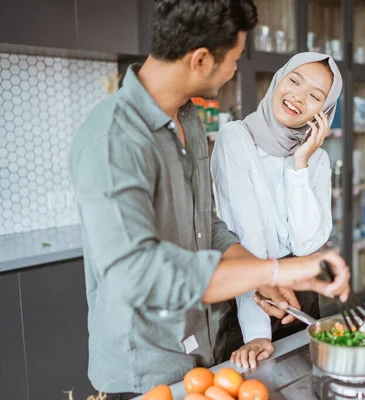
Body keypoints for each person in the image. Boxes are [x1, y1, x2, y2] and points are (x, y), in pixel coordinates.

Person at [68, 1, 350, 398]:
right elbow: (140, 274)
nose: (236, 68)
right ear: (202, 60)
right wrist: (275, 272)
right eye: (234, 58)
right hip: (145, 371)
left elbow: (208, 225)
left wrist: (260, 274)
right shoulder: (113, 140)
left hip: (200, 349)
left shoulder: (188, 120)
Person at [211, 52, 342, 369]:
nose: (299, 97)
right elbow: (246, 239)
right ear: (277, 80)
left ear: (323, 110)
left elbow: (307, 245)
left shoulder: (317, 160)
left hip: (300, 293)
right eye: (294, 81)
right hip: (249, 296)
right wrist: (257, 333)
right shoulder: (236, 138)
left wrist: (300, 165)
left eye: (315, 96)